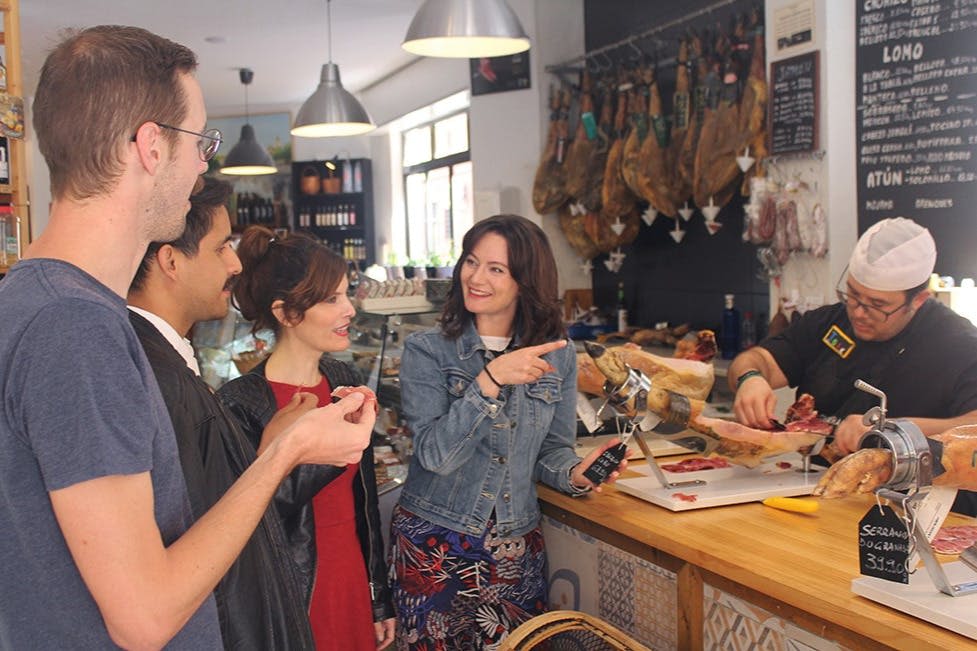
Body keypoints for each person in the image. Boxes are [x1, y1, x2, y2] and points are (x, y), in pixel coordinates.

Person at [0, 26, 373, 649]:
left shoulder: (36, 298)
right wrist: (283, 454)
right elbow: (145, 616)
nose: (204, 166)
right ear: (150, 146)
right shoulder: (77, 329)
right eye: (202, 142)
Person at [389, 214, 628, 648]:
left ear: (526, 281)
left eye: (496, 269)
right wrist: (490, 380)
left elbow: (551, 450)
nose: (476, 278)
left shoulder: (558, 355)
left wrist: (576, 474)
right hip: (434, 546)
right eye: (471, 262)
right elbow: (435, 455)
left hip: (517, 551)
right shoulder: (426, 350)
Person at [127, 176, 319, 649]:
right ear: (170, 260)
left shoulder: (167, 360)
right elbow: (197, 545)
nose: (235, 264)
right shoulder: (158, 376)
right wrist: (285, 453)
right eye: (220, 248)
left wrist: (266, 447)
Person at [218, 225, 397, 651]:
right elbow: (248, 522)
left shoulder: (343, 380)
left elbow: (366, 503)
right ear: (286, 313)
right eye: (332, 299)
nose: (350, 309)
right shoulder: (242, 403)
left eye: (347, 294)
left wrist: (378, 596)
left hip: (349, 571)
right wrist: (325, 453)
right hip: (291, 585)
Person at [729, 217, 977, 514]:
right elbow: (756, 360)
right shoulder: (830, 322)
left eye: (877, 305)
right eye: (853, 296)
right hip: (816, 494)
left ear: (919, 300)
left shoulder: (959, 344)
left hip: (907, 511)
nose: (859, 312)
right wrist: (751, 378)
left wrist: (889, 432)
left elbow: (973, 428)